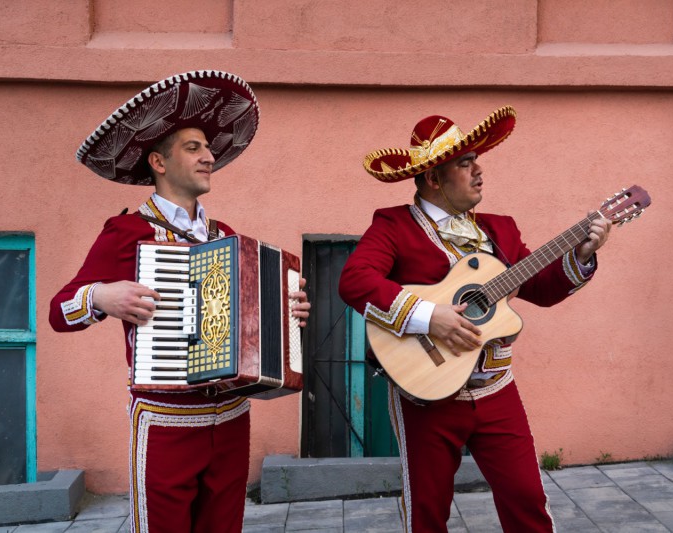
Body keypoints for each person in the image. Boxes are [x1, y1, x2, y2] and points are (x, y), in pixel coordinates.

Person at [49, 70, 310, 533]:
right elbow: (59, 311)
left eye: (209, 149)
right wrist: (102, 295)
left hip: (232, 417)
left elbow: (250, 322)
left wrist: (288, 317)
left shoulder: (226, 237)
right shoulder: (126, 233)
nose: (210, 157)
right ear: (159, 162)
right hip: (166, 421)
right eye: (194, 148)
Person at [338, 106, 611, 532]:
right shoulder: (393, 226)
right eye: (465, 164)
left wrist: (580, 256)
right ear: (433, 178)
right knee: (427, 511)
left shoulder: (500, 230)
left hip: (496, 388)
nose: (479, 171)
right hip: (426, 392)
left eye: (476, 162)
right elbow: (355, 281)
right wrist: (430, 317)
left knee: (526, 498)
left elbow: (540, 288)